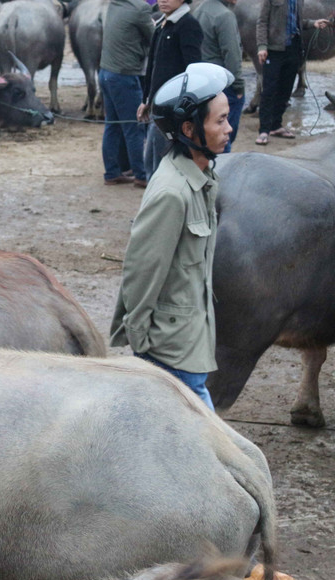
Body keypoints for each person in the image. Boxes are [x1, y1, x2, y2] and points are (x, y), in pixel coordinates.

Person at [111, 63, 234, 410]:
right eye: (220, 120)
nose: (230, 128)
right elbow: (141, 270)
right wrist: (141, 344)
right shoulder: (171, 193)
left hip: (190, 342)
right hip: (171, 352)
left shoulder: (201, 176)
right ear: (188, 129)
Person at [138, 0, 202, 179]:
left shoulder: (188, 25)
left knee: (163, 166)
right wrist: (146, 100)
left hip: (172, 112)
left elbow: (193, 71)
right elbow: (153, 67)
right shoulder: (162, 25)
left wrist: (181, 110)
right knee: (150, 162)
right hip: (157, 108)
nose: (163, 0)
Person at [255, 0, 330, 145]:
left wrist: (313, 23)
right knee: (269, 90)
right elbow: (262, 22)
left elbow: (298, 22)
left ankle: (276, 126)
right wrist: (262, 46)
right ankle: (264, 130)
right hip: (274, 50)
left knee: (285, 90)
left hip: (293, 49)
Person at [98, 0, 154, 188]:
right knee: (135, 127)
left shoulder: (115, 4)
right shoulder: (141, 8)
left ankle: (112, 172)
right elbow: (154, 38)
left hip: (106, 72)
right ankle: (141, 174)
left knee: (112, 125)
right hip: (124, 75)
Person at [195, 0, 246, 152]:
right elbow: (232, 54)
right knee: (224, 136)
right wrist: (238, 86)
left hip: (202, 80)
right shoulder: (225, 16)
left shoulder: (199, 10)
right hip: (223, 83)